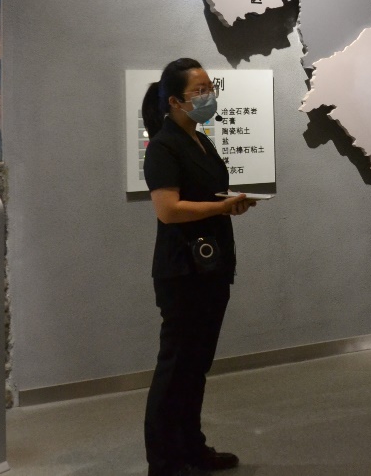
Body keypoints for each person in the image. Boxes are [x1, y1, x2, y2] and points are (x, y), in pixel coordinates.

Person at [140, 58, 255, 476]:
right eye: (199, 91)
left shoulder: (199, 140)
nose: (209, 96)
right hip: (182, 271)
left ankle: (192, 448)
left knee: (196, 366)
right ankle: (164, 462)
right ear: (174, 101)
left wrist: (228, 203)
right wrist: (221, 207)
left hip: (211, 266)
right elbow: (168, 210)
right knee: (176, 367)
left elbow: (204, 194)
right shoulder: (163, 146)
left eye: (211, 88)